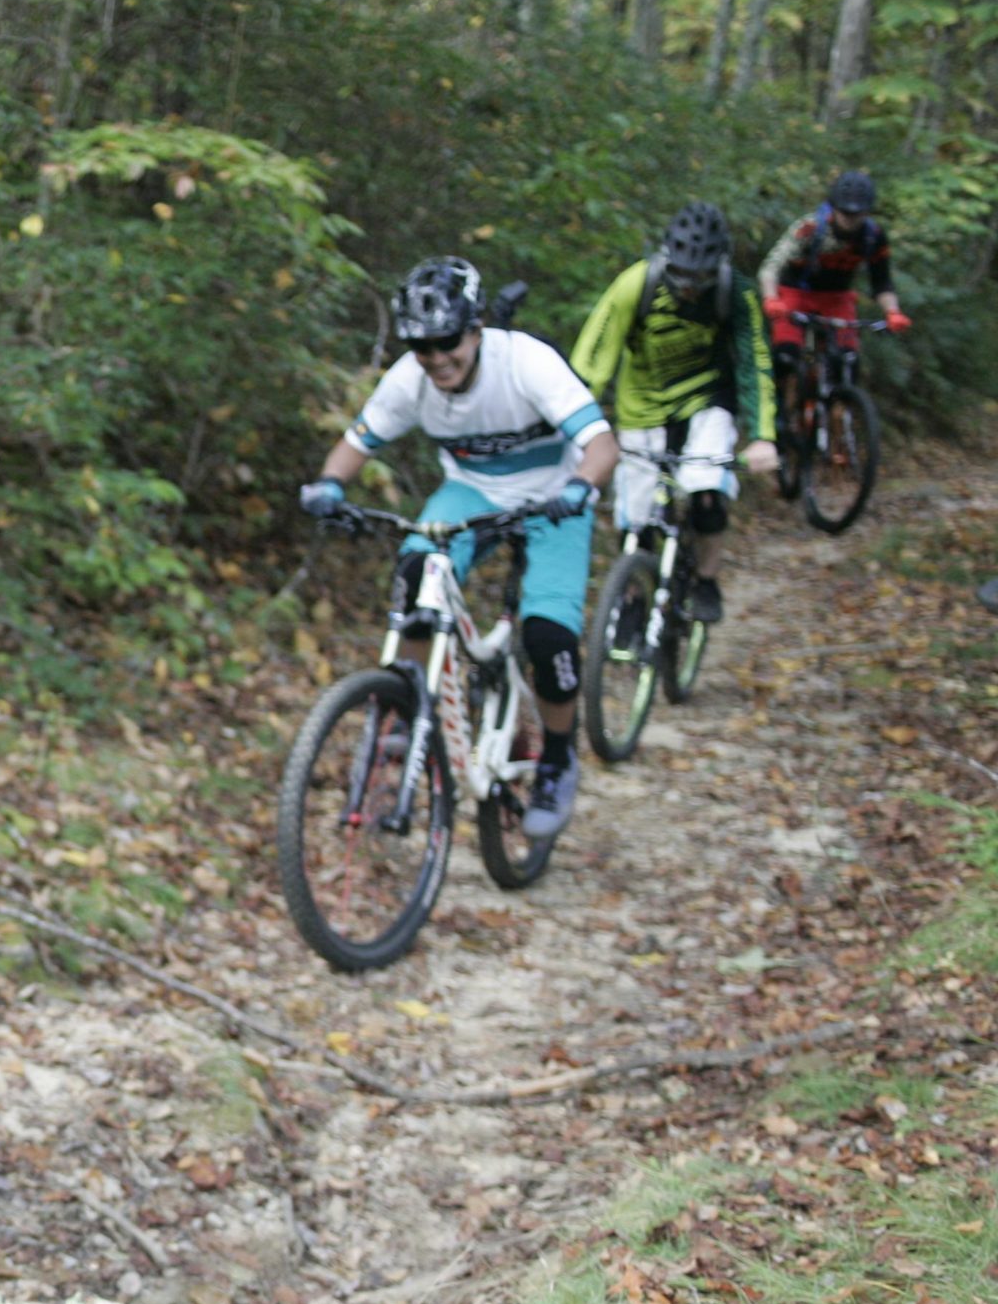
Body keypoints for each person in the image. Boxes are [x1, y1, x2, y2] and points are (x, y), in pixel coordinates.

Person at [301, 256, 617, 841]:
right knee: (416, 571)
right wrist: (328, 487)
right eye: (424, 347)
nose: (438, 357)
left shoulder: (525, 361)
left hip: (553, 498)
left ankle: (555, 758)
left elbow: (601, 444)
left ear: (476, 329)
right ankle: (407, 703)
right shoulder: (410, 379)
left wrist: (579, 488)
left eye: (450, 341)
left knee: (548, 636)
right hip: (471, 494)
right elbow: (355, 443)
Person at [570, 201, 779, 626]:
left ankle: (705, 579)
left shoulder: (735, 294)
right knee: (634, 518)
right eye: (681, 275)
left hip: (706, 403)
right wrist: (571, 424)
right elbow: (593, 358)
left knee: (706, 490)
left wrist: (763, 435)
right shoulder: (636, 284)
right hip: (641, 407)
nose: (688, 287)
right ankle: (629, 599)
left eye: (699, 278)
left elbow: (755, 362)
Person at [759, 169, 909, 406]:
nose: (850, 219)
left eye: (857, 213)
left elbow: (881, 282)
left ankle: (838, 416)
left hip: (836, 298)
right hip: (795, 292)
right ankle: (776, 414)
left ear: (867, 211)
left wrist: (893, 312)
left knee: (848, 359)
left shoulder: (873, 237)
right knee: (785, 355)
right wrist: (770, 298)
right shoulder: (809, 228)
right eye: (845, 212)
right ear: (834, 207)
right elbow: (772, 266)